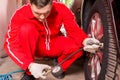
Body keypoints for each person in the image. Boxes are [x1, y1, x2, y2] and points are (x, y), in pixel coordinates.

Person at [4, 0, 100, 80]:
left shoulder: (61, 8)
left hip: (54, 43)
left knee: (77, 46)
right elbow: (10, 44)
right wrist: (29, 65)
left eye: (47, 12)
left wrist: (85, 41)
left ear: (51, 3)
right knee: (26, 29)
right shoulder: (20, 14)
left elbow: (73, 30)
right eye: (37, 13)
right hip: (37, 47)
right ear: (30, 4)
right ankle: (29, 74)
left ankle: (59, 65)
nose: (42, 17)